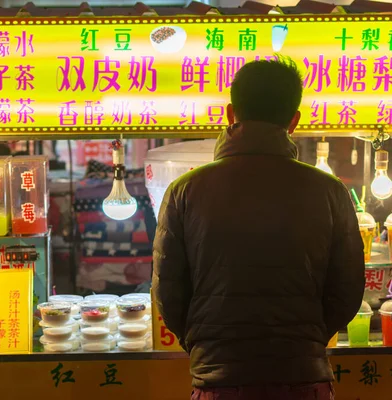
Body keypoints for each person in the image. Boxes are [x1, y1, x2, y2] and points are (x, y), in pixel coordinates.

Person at [152, 58, 365, 400]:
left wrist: (208, 347)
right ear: (294, 121)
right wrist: (305, 341)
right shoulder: (330, 191)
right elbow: (347, 290)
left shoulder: (184, 191)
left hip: (217, 383)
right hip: (304, 381)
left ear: (230, 113)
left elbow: (169, 295)